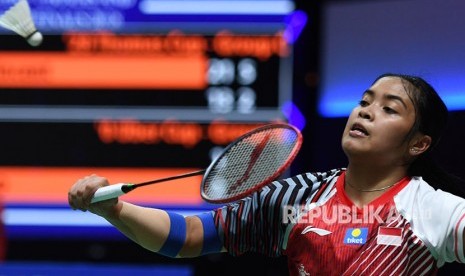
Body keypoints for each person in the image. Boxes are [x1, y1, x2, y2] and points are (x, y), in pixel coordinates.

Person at [68, 73, 465, 275]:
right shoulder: (298, 198)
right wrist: (115, 210)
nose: (364, 111)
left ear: (419, 145)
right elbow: (188, 236)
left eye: (389, 108)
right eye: (364, 101)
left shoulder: (430, 209)